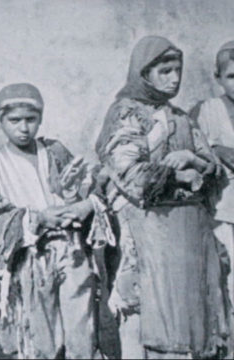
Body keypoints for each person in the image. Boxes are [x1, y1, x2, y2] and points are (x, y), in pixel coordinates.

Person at [95, 35, 230, 359]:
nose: (174, 78)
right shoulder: (127, 114)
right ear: (144, 73)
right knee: (143, 316)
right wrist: (175, 175)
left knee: (189, 315)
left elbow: (212, 168)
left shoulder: (181, 117)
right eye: (165, 71)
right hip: (144, 235)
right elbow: (129, 174)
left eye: (178, 70)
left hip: (186, 238)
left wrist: (193, 160)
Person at [0, 83, 118, 359]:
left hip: (72, 252)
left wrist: (78, 201)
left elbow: (85, 195)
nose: (23, 128)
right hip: (31, 259)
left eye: (31, 120)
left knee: (82, 332)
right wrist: (36, 218)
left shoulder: (56, 152)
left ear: (40, 119)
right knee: (42, 339)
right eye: (15, 121)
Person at [190, 41, 234, 339]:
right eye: (232, 76)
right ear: (217, 76)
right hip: (223, 212)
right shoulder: (206, 112)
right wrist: (215, 151)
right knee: (228, 283)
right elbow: (194, 151)